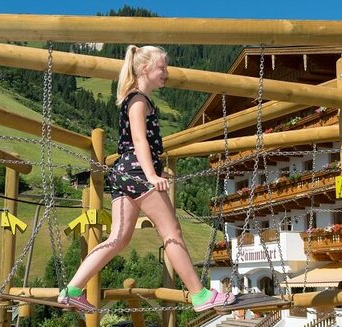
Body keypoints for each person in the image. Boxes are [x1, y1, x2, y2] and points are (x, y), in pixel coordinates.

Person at [58, 45, 237, 313]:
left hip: (123, 173)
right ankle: (199, 295)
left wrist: (156, 169)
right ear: (144, 68)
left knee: (118, 238)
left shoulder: (134, 98)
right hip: (138, 174)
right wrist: (151, 175)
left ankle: (72, 290)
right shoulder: (139, 101)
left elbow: (138, 144)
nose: (166, 72)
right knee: (171, 233)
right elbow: (139, 139)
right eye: (161, 67)